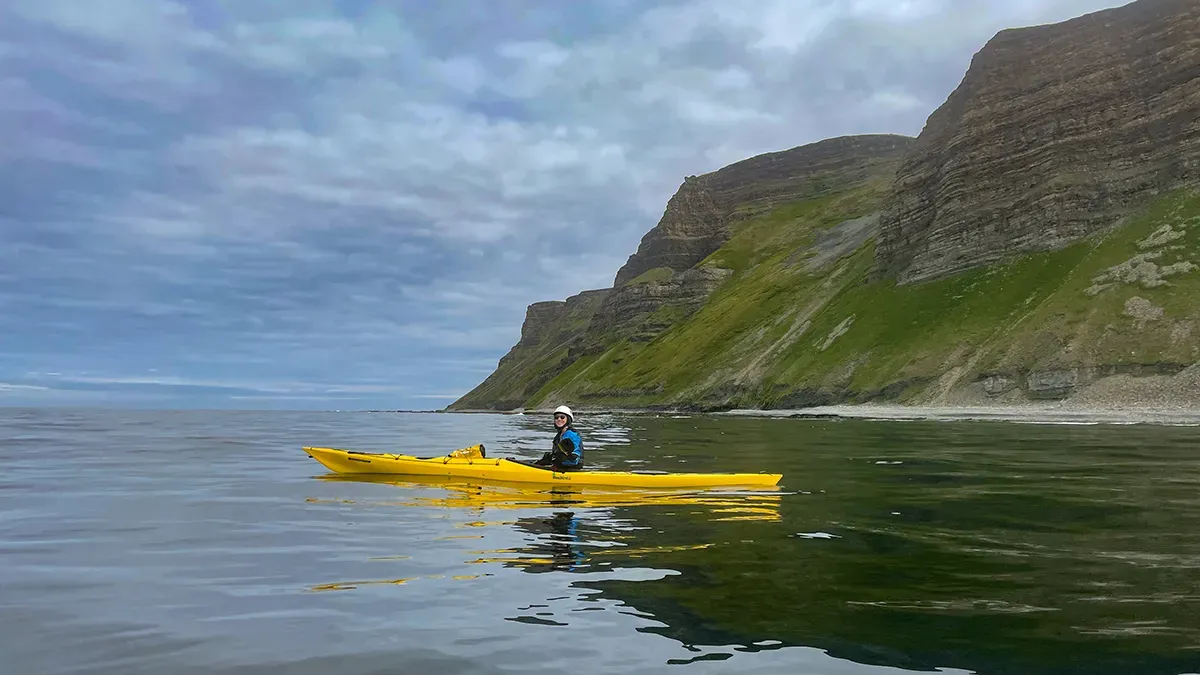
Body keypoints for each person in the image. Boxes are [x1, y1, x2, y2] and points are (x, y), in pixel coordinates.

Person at [534, 405, 583, 471]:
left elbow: (574, 460)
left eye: (562, 417)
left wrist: (555, 459)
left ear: (568, 419)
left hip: (570, 470)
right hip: (562, 468)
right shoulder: (560, 435)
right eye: (556, 417)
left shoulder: (571, 435)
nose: (559, 419)